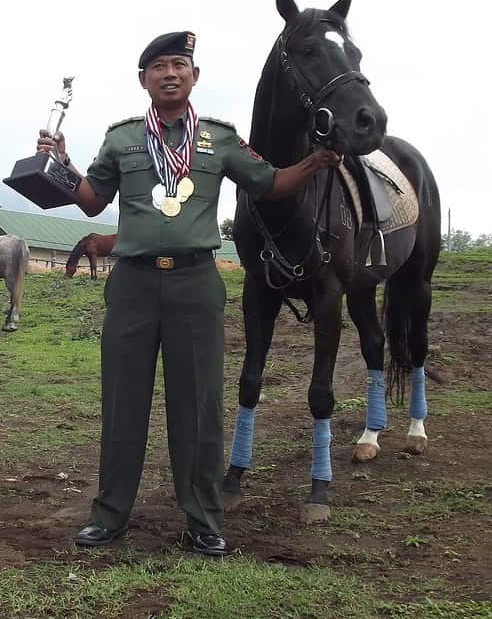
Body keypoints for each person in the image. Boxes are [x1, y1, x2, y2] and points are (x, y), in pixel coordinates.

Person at [35, 31, 341, 556]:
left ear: (194, 76)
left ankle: (203, 519)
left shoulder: (220, 139)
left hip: (195, 284)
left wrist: (313, 163)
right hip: (130, 284)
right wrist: (63, 163)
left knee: (198, 406)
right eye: (158, 66)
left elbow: (271, 184)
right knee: (122, 404)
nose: (169, 73)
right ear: (143, 80)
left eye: (179, 64)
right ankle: (109, 514)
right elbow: (90, 203)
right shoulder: (122, 139)